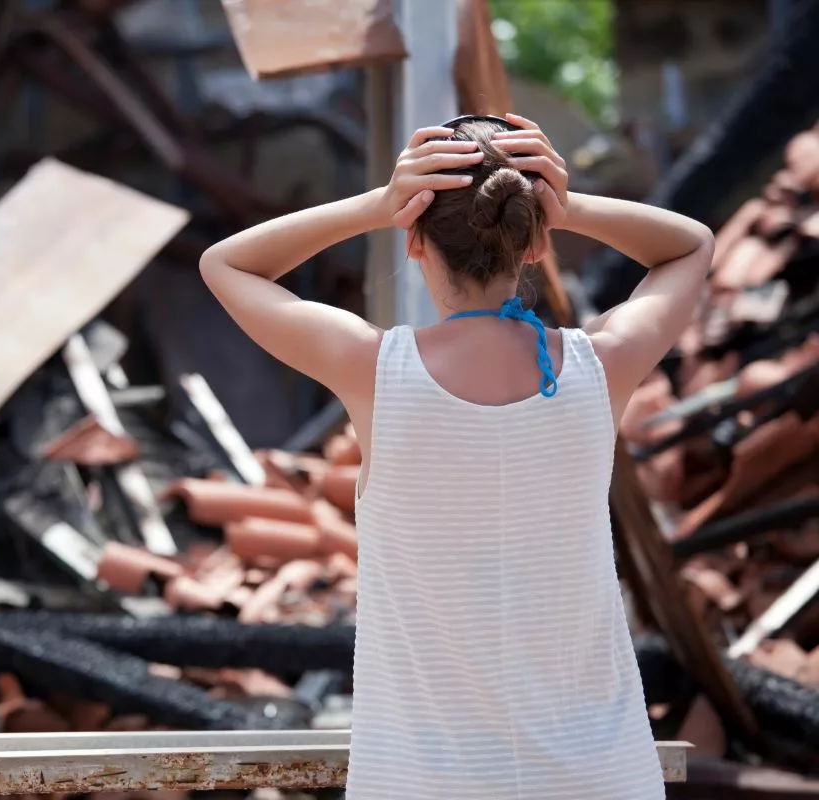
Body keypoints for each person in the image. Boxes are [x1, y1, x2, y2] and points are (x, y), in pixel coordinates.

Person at [199, 112, 714, 800]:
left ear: (414, 240)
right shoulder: (602, 366)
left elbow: (225, 262)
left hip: (423, 783)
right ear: (533, 241)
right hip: (601, 776)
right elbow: (690, 246)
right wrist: (572, 205)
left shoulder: (373, 370)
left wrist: (374, 205)